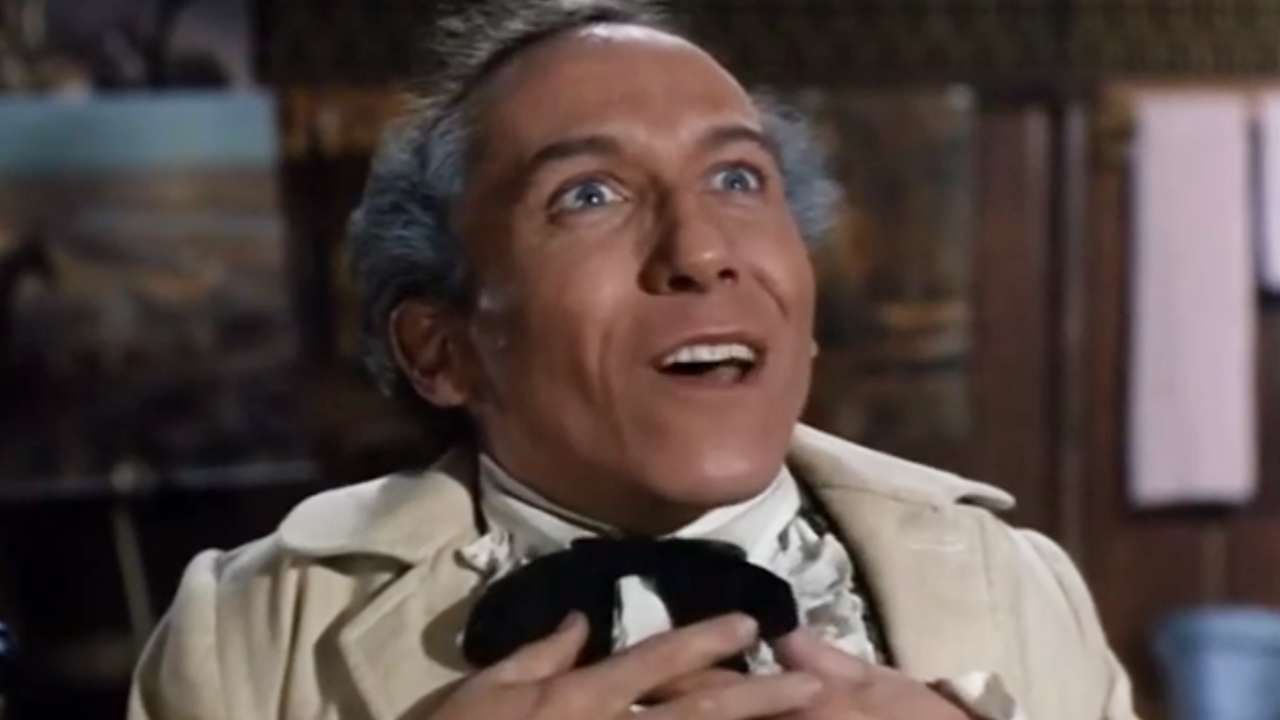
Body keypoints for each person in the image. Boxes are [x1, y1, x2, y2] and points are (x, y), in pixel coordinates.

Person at [128, 2, 1138, 718]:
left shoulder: (1016, 584)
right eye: (588, 196)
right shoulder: (253, 631)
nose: (700, 251)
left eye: (736, 179)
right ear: (441, 350)